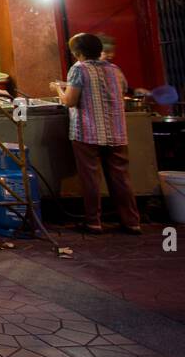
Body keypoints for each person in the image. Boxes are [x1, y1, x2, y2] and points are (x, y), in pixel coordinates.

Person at [51, 33, 142, 235]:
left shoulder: (79, 69)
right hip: (116, 132)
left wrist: (58, 88)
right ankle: (132, 222)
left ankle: (93, 222)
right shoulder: (115, 69)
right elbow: (123, 90)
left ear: (77, 52)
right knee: (121, 178)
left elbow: (70, 101)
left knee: (90, 178)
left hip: (87, 132)